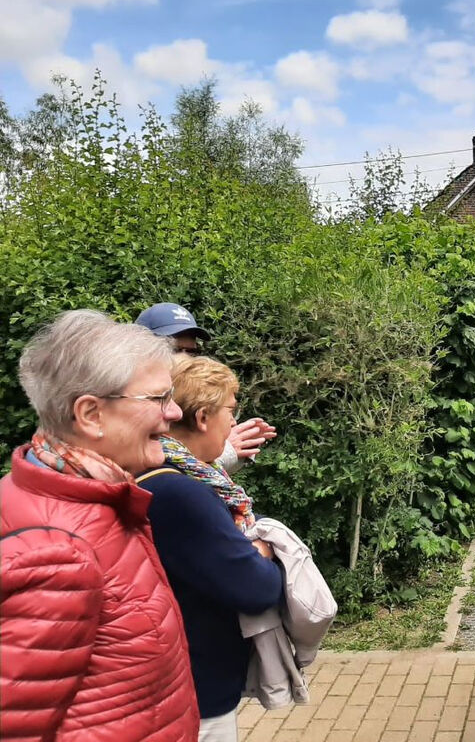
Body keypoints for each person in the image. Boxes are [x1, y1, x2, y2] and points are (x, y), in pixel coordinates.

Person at [0, 310, 198, 742]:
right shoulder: (59, 558)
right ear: (90, 414)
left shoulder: (87, 498)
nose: (174, 411)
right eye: (158, 398)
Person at [136, 355, 283, 742]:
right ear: (202, 417)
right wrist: (263, 550)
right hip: (197, 692)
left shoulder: (163, 472)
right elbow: (257, 588)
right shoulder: (181, 492)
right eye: (230, 411)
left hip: (173, 682)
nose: (233, 423)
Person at [134, 302, 276, 474]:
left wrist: (220, 447)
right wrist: (223, 454)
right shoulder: (130, 403)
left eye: (191, 352)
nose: (185, 359)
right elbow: (151, 475)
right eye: (174, 350)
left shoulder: (190, 396)